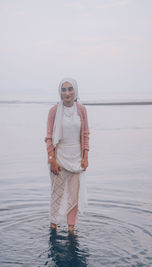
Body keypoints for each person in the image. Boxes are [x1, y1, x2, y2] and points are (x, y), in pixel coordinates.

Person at [45, 78, 90, 233]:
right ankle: (53, 226)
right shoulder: (53, 111)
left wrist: (85, 157)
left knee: (73, 197)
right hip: (59, 159)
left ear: (75, 91)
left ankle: (71, 230)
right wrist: (52, 160)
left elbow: (85, 134)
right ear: (60, 92)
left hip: (76, 160)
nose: (67, 93)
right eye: (64, 90)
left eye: (70, 89)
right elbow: (49, 137)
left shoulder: (81, 110)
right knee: (56, 196)